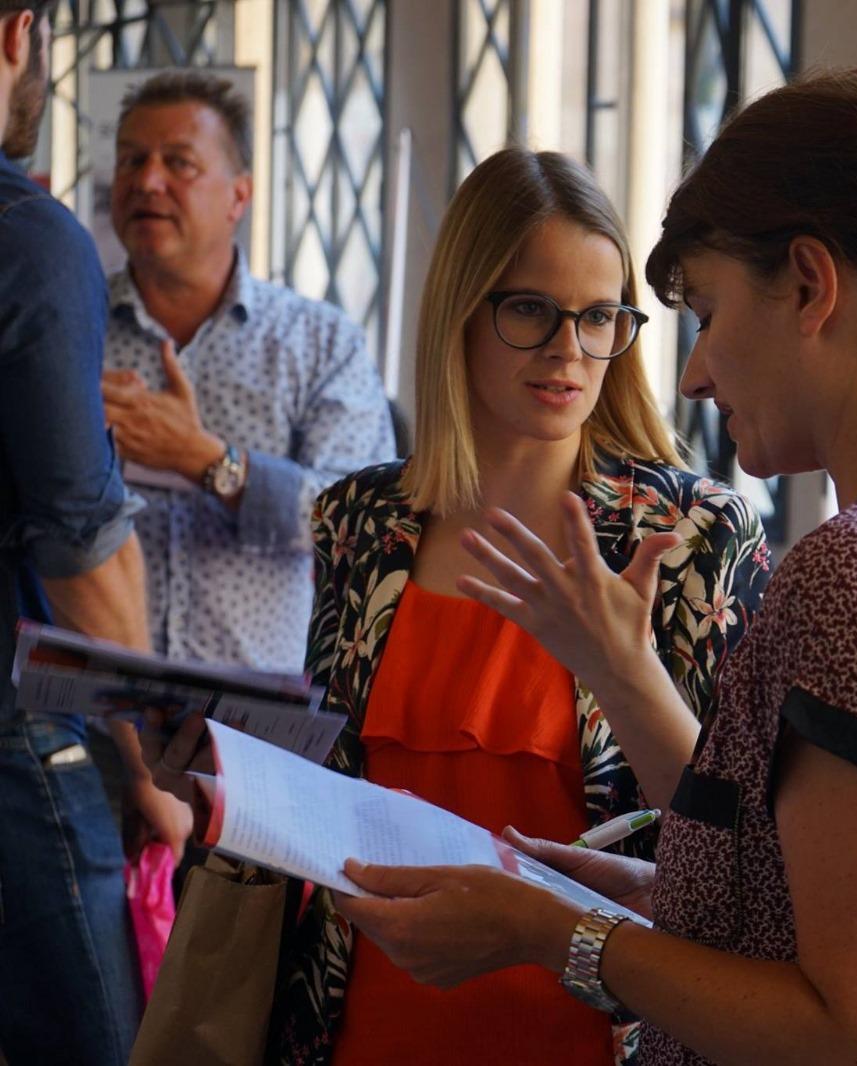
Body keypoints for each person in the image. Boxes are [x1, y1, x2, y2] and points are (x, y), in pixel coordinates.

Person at [326, 66, 857, 1065]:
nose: (696, 373)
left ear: (810, 285)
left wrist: (553, 932)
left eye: (705, 312)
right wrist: (659, 892)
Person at [154, 146, 769, 1065]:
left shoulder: (691, 537)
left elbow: (747, 842)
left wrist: (629, 673)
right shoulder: (363, 520)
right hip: (360, 1020)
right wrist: (229, 777)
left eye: (599, 316)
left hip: (597, 1031)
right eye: (531, 310)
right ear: (461, 311)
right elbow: (333, 788)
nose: (569, 349)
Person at [0, 2, 189, 1062]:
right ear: (18, 33)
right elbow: (80, 546)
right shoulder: (28, 241)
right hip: (20, 744)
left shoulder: (318, 342)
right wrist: (148, 761)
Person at [101, 71, 394, 675]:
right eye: (131, 160)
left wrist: (211, 464)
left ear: (239, 196)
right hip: (90, 707)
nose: (147, 181)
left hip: (251, 710)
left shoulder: (319, 342)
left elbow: (365, 527)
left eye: (179, 163)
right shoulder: (68, 327)